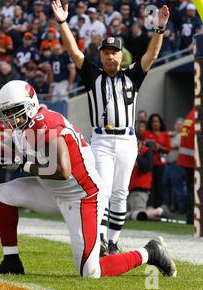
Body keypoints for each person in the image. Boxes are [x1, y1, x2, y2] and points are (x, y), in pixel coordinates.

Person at [0, 79, 176, 279]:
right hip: (53, 191)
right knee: (2, 193)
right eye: (6, 112)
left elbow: (62, 170)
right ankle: (11, 261)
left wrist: (19, 164)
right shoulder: (21, 128)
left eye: (14, 110)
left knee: (90, 271)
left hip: (83, 197)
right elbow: (14, 150)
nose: (10, 117)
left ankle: (150, 252)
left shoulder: (46, 123)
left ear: (30, 105)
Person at [52, 0, 171, 255]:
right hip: (102, 139)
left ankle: (113, 241)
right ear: (101, 55)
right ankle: (102, 239)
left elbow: (152, 55)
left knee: (120, 193)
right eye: (105, 52)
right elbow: (74, 52)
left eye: (113, 52)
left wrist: (159, 30)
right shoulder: (93, 75)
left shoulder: (132, 74)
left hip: (127, 140)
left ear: (121, 55)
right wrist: (62, 22)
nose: (109, 56)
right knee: (102, 189)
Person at [142, 114, 171, 210]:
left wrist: (159, 147)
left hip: (160, 164)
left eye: (157, 121)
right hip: (148, 164)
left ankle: (158, 207)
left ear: (160, 123)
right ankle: (149, 206)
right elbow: (141, 145)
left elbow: (168, 149)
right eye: (153, 121)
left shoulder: (164, 134)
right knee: (150, 185)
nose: (155, 123)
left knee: (159, 185)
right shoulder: (146, 133)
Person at [177, 108, 195, 224]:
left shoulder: (191, 114)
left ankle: (190, 217)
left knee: (190, 189)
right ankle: (192, 217)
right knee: (194, 190)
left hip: (186, 159)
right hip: (194, 160)